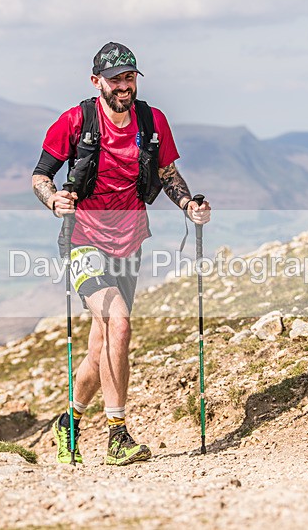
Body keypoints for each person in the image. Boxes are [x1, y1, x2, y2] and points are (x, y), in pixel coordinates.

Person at [31, 42, 211, 465]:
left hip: (129, 242)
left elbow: (167, 173)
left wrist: (189, 206)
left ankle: (69, 421)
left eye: (129, 78)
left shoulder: (152, 120)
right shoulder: (75, 121)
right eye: (115, 80)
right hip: (83, 240)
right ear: (97, 82)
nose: (124, 86)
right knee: (119, 321)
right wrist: (54, 199)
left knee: (102, 346)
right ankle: (117, 435)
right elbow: (40, 175)